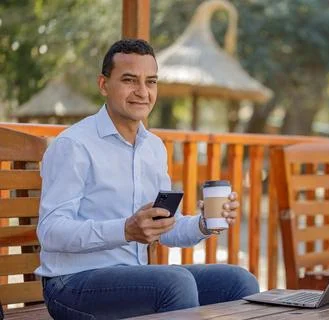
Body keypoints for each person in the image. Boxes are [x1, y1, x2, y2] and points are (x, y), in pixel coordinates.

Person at [35, 39, 259, 319]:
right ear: (104, 85)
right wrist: (126, 230)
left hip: (132, 279)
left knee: (239, 281)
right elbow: (51, 232)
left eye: (150, 82)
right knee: (175, 283)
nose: (142, 92)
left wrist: (204, 224)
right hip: (72, 285)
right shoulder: (74, 145)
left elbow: (162, 228)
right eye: (129, 80)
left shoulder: (153, 148)